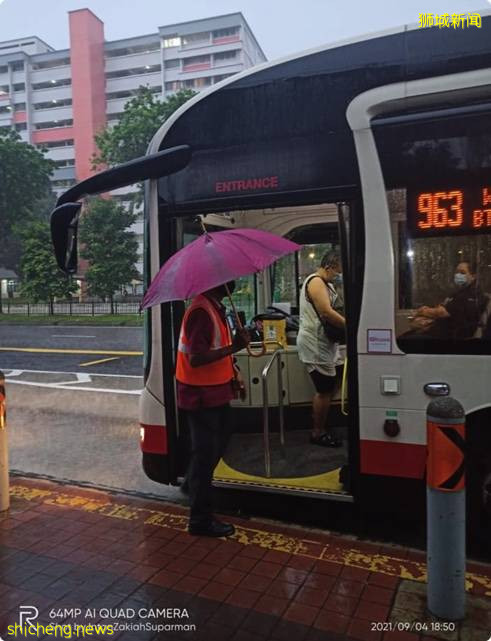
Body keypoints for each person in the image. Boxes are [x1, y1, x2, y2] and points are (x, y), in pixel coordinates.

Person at [176, 280, 250, 538]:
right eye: (229, 278)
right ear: (218, 282)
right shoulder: (201, 311)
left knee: (219, 442)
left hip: (217, 392)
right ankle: (200, 520)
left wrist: (235, 371)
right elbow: (196, 358)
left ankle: (192, 483)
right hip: (201, 396)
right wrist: (235, 347)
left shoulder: (215, 307)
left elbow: (217, 348)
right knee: (205, 455)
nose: (235, 281)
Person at [296, 251, 346, 447]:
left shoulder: (328, 284)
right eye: (337, 272)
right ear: (329, 267)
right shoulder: (316, 282)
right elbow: (326, 311)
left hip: (327, 343)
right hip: (315, 344)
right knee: (323, 390)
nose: (338, 276)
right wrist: (351, 325)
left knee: (335, 380)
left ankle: (323, 421)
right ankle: (317, 432)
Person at [408, 260, 485, 339]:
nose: (458, 275)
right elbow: (442, 306)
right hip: (438, 331)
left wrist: (422, 311)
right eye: (457, 272)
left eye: (462, 273)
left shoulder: (471, 294)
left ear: (473, 276)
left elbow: (442, 312)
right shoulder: (459, 292)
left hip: (449, 338)